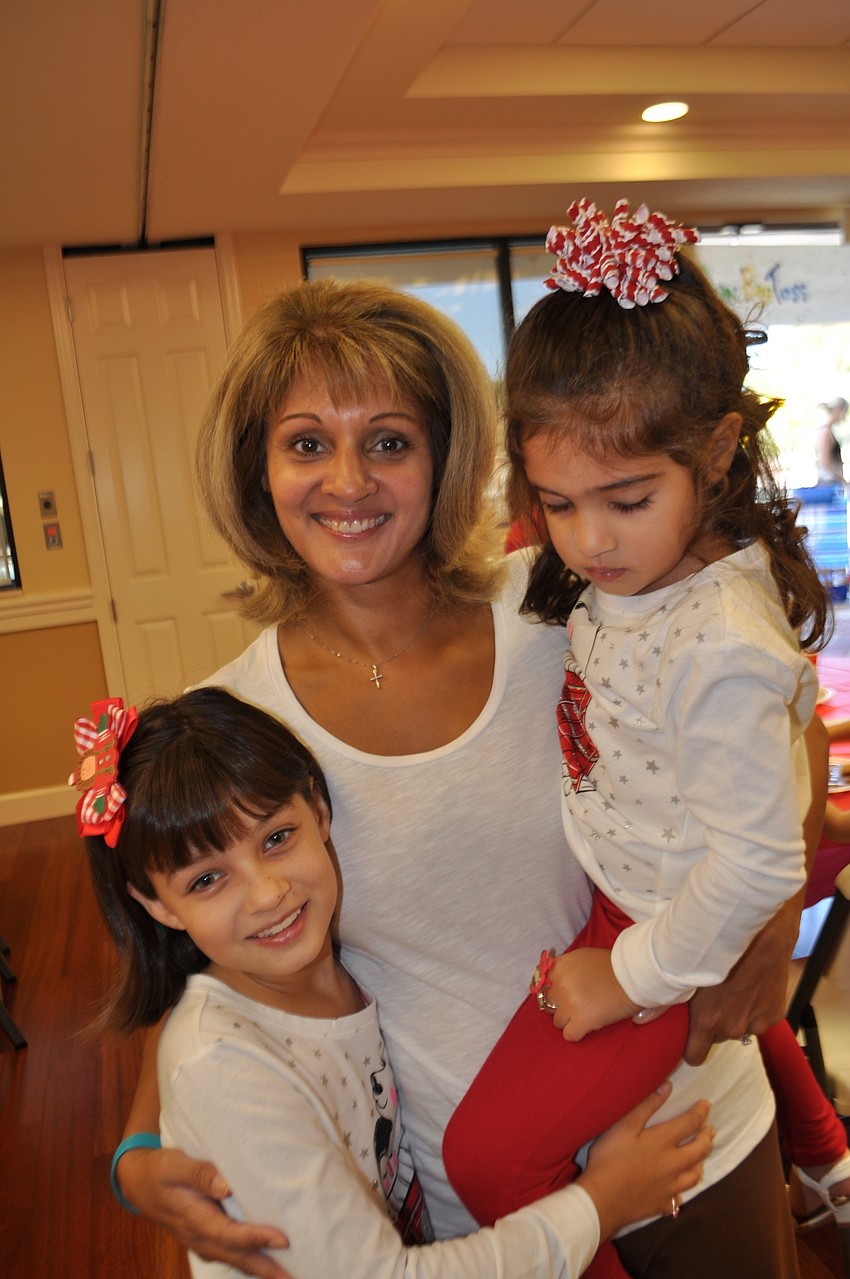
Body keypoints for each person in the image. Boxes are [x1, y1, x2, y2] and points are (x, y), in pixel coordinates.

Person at [111, 277, 811, 1279]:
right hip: (485, 1215)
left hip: (692, 1136)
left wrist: (775, 912)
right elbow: (211, 970)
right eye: (306, 442)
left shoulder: (565, 599)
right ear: (258, 469)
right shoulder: (231, 725)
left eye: (389, 440)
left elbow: (762, 708)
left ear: (445, 459)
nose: (347, 480)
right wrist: (139, 1154)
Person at [443, 199, 850, 1276]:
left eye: (623, 499)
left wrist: (626, 975)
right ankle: (827, 1157)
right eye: (557, 504)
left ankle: (820, 1160)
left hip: (649, 932)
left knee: (484, 1164)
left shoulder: (716, 641)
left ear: (717, 449)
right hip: (634, 891)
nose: (586, 540)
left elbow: (762, 858)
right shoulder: (642, 575)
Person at [74, 688, 714, 1278]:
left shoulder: (330, 977)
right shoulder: (223, 1062)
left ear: (320, 810)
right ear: (155, 905)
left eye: (276, 838)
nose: (267, 893)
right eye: (206, 880)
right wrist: (600, 1203)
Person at [815, 396, 849, 488]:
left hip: (832, 483)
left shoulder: (827, 431)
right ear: (839, 409)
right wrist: (843, 481)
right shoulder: (825, 432)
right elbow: (824, 462)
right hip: (829, 483)